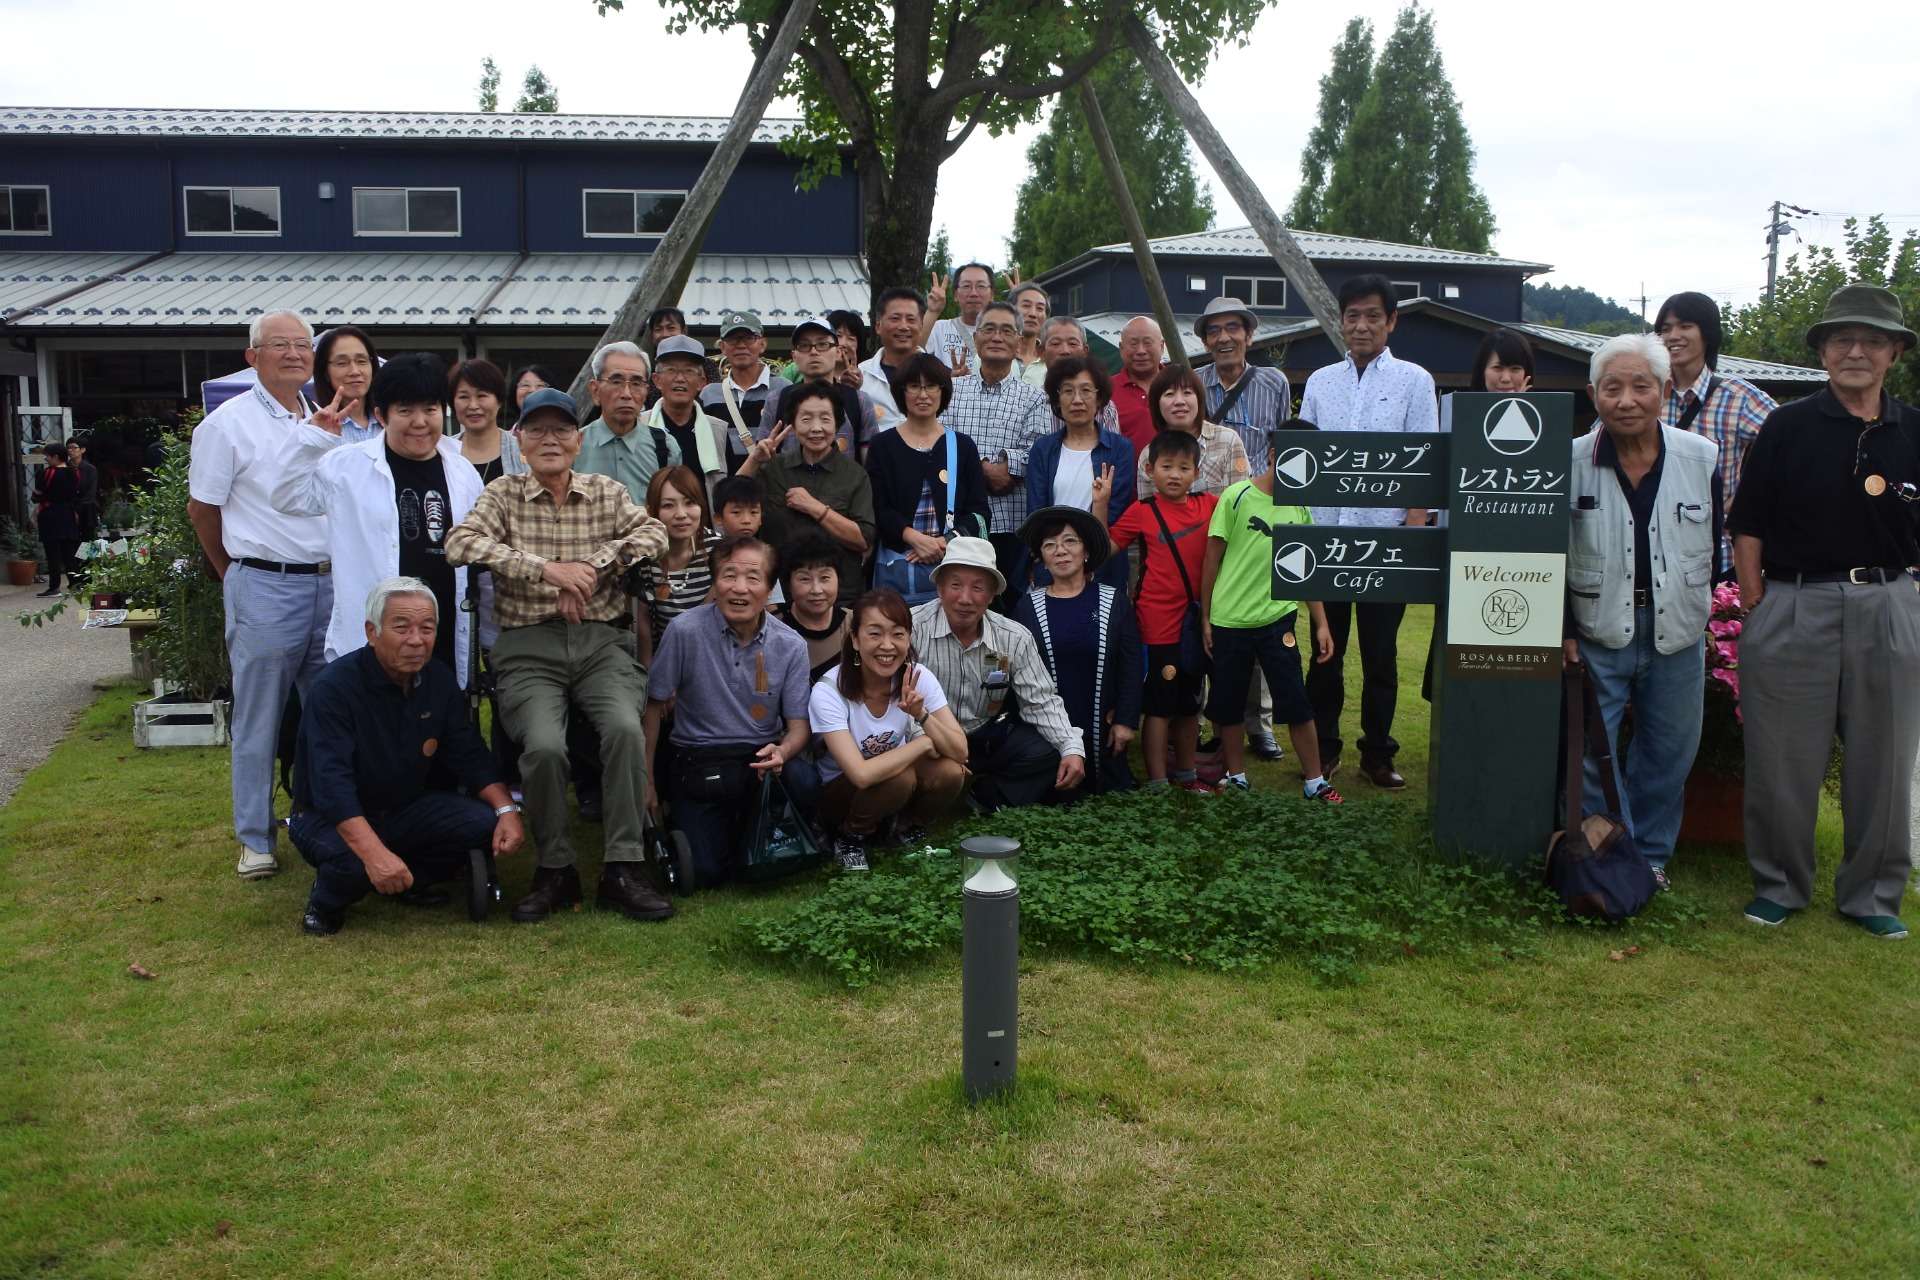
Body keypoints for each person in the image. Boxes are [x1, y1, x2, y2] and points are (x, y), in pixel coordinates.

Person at [1730, 284, 1920, 940]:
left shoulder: (1915, 429)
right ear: (1823, 351)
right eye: (1842, 339)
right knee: (1782, 758)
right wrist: (1757, 605)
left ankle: (1872, 894)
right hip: (1794, 601)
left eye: (1872, 340)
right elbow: (1747, 525)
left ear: (1895, 352)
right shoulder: (1786, 426)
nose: (1856, 351)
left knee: (1886, 760)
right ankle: (1780, 884)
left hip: (1890, 602)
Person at [444, 386, 673, 925]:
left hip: (601, 643)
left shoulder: (606, 491)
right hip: (528, 647)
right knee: (544, 747)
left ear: (578, 440)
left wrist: (591, 567)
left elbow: (655, 531)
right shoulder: (501, 493)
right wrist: (546, 569)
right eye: (537, 430)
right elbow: (460, 543)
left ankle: (623, 865)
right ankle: (556, 868)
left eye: (561, 430)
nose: (550, 439)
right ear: (518, 439)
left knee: (623, 729)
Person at [1566, 333, 1719, 892]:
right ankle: (1614, 852)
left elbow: (1714, 539)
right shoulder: (1571, 461)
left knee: (1669, 751)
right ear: (1593, 394)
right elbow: (1551, 551)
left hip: (1676, 629)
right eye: (1613, 388)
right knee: (1590, 754)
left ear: (1665, 389)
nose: (1626, 399)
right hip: (1597, 626)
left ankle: (1651, 857)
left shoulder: (1701, 457)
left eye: (1641, 386)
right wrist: (1564, 629)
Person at [289, 578, 524, 935]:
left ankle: (407, 880)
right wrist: (374, 854)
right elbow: (330, 787)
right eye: (402, 628)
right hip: (326, 816)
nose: (417, 640)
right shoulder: (333, 690)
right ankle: (325, 902)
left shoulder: (438, 680)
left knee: (482, 824)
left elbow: (470, 754)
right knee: (352, 864)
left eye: (427, 628)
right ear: (372, 631)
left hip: (402, 807)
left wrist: (506, 810)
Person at [186, 308, 332, 881]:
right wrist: (232, 572)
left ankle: (322, 820)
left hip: (330, 583)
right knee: (260, 718)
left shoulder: (323, 417)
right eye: (280, 345)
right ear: (253, 357)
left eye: (302, 344)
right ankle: (255, 837)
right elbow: (204, 509)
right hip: (264, 583)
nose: (295, 354)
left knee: (330, 714)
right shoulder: (226, 425)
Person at [1300, 275, 1438, 790]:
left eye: (1372, 316)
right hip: (1326, 539)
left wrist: (1414, 525)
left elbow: (1423, 458)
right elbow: (1304, 461)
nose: (1361, 325)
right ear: (1341, 320)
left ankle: (1378, 753)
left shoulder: (1415, 381)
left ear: (1391, 321)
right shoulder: (1319, 381)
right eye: (1352, 315)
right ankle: (1326, 748)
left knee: (1381, 654)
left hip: (1387, 539)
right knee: (1324, 651)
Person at [272, 352, 485, 680]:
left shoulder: (463, 472)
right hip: (370, 638)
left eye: (430, 410)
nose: (420, 422)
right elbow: (286, 498)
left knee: (436, 725)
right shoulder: (346, 465)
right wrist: (312, 440)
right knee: (372, 724)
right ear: (380, 415)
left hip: (439, 632)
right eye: (405, 411)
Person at [643, 534, 818, 888]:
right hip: (699, 759)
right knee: (707, 873)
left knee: (805, 780)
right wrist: (646, 780)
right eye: (728, 575)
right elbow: (652, 706)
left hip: (759, 759)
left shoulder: (791, 645)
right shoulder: (684, 631)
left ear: (769, 589)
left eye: (753, 578)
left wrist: (782, 751)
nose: (740, 588)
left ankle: (771, 835)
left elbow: (799, 726)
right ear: (715, 582)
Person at [1201, 444, 1340, 802]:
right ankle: (1236, 777)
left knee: (1295, 699)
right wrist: (1205, 617)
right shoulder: (1236, 496)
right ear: (1275, 454)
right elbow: (1212, 559)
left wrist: (1321, 622)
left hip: (1278, 619)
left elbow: (1308, 572)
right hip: (1230, 620)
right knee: (1229, 701)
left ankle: (1315, 781)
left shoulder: (1299, 506)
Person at [910, 537, 1086, 810]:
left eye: (978, 587)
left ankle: (983, 798)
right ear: (940, 588)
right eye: (955, 585)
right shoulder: (911, 629)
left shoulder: (1013, 637)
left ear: (993, 595)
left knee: (1049, 753)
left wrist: (1071, 747)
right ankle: (933, 798)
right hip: (927, 736)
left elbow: (1041, 700)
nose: (965, 598)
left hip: (985, 735)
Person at [811, 588, 970, 870]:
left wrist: (921, 715)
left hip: (892, 784)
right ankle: (849, 836)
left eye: (898, 634)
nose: (887, 645)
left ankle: (906, 829)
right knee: (901, 777)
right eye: (875, 633)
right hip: (840, 795)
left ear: (908, 639)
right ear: (855, 640)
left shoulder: (918, 677)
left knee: (950, 772)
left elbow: (960, 752)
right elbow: (860, 775)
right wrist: (922, 744)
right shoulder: (828, 690)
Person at [1108, 430, 1218, 792]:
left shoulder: (1210, 506)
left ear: (1196, 472)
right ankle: (1156, 779)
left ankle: (1186, 774)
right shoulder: (1143, 511)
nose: (1174, 474)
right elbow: (1105, 545)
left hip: (1197, 622)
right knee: (1159, 705)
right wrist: (1100, 504)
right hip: (1156, 624)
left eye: (1184, 467)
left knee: (1189, 704)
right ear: (1150, 470)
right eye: (1166, 466)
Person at [1012, 507, 1140, 796]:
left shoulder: (1114, 601)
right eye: (1049, 545)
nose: (1060, 551)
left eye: (1070, 541)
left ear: (1086, 551)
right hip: (1045, 729)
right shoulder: (1026, 608)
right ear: (1042, 558)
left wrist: (1125, 720)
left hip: (1103, 729)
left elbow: (1130, 666)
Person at [1655, 291, 1779, 576]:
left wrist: (1744, 500)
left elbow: (1793, 448)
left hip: (1717, 557)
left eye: (1685, 326)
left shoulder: (1739, 398)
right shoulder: (1644, 393)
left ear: (1707, 333)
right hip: (1651, 554)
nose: (1673, 336)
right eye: (1665, 329)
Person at [941, 300, 1052, 602]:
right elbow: (940, 446)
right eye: (988, 329)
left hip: (1011, 525)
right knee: (962, 606)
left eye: (1006, 330)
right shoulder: (950, 392)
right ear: (975, 338)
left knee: (1009, 610)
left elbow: (1035, 455)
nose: (997, 337)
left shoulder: (1035, 398)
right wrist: (987, 468)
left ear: (1019, 341)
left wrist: (977, 466)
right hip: (958, 524)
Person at [864, 352, 990, 604]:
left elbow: (979, 511)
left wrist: (943, 543)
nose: (923, 395)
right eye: (914, 386)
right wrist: (914, 538)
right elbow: (878, 507)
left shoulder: (962, 446)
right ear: (901, 392)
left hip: (952, 567)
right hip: (897, 570)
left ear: (943, 391)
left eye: (931, 386)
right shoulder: (882, 445)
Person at [741, 379, 874, 604]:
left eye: (825, 419)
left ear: (837, 424)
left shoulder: (855, 475)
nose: (816, 428)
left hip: (839, 597)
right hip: (780, 595)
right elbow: (732, 506)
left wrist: (816, 508)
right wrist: (754, 460)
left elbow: (863, 540)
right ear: (792, 424)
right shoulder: (774, 469)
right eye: (806, 419)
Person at [1027, 356, 1136, 591]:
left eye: (1086, 390)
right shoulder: (1043, 450)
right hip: (1053, 565)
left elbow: (1117, 513)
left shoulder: (1120, 449)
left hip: (1102, 566)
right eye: (1068, 391)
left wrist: (1085, 555)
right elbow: (1037, 514)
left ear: (1099, 398)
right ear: (1057, 399)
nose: (1077, 400)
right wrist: (1062, 553)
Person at [1194, 296, 1292, 475]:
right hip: (1210, 497)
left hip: (1259, 496)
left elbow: (1285, 446)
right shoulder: (1193, 384)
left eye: (1232, 328)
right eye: (1214, 331)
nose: (1223, 338)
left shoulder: (1275, 383)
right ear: (1205, 343)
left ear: (1249, 336)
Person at [632, 464, 716, 666]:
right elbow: (643, 622)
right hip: (663, 658)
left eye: (690, 503)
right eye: (668, 505)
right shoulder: (644, 554)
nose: (681, 514)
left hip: (711, 658)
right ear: (652, 511)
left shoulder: (717, 551)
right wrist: (650, 677)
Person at [576, 340, 677, 507]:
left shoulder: (665, 447)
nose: (626, 394)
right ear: (595, 390)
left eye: (637, 383)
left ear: (646, 392)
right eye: (616, 381)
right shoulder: (574, 445)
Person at [1134, 364, 1250, 500]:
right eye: (1169, 394)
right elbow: (1147, 510)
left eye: (1187, 393)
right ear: (1156, 404)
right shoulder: (1148, 455)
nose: (1179, 401)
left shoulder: (1227, 440)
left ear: (1199, 399)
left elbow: (1242, 500)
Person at [771, 315, 875, 458]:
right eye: (804, 345)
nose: (814, 352)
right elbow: (765, 458)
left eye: (822, 344)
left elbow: (869, 463)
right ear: (794, 356)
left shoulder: (860, 400)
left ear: (838, 351)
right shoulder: (777, 399)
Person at [702, 310, 792, 472]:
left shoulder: (784, 388)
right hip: (725, 489)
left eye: (749, 338)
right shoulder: (708, 394)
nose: (741, 345)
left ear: (762, 344)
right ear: (722, 347)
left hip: (773, 488)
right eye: (732, 339)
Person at [644, 335, 728, 490]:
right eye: (671, 370)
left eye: (689, 371)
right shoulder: (639, 425)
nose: (680, 378)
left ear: (702, 382)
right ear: (656, 380)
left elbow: (727, 489)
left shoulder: (718, 430)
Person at [776, 531, 849, 680]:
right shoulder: (773, 628)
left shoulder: (855, 624)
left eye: (825, 578)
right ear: (788, 583)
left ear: (838, 579)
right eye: (804, 579)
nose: (816, 590)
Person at [1035, 316, 1123, 437]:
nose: (1065, 351)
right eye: (1055, 343)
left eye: (1072, 343)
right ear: (1041, 352)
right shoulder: (1031, 401)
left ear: (1085, 351)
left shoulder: (1103, 405)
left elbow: (1112, 451)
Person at [859, 286, 926, 434]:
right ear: (878, 326)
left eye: (911, 319)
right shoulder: (860, 376)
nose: (903, 326)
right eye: (895, 318)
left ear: (921, 326)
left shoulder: (939, 375)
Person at [450, 358, 526, 489]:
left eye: (482, 396)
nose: (473, 405)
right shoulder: (444, 452)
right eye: (464, 397)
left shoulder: (522, 451)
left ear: (499, 401)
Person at [313, 326, 382, 444]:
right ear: (325, 372)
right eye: (342, 363)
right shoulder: (318, 426)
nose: (355, 371)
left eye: (361, 361)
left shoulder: (389, 420)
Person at [921, 262, 995, 371]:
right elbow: (913, 353)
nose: (973, 293)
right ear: (955, 295)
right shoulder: (938, 329)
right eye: (966, 286)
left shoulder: (1003, 333)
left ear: (992, 295)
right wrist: (932, 311)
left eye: (981, 286)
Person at [1111, 317, 1168, 456]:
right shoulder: (1105, 390)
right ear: (1121, 348)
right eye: (1133, 344)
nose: (1141, 351)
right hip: (1121, 476)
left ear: (1161, 346)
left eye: (1148, 343)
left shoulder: (1180, 386)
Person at [31, 443, 80, 597]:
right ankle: (75, 584)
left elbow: (36, 495)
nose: (46, 459)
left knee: (52, 552)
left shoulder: (47, 473)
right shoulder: (74, 472)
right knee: (69, 551)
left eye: (48, 456)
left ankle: (54, 587)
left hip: (50, 514)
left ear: (56, 457)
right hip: (68, 514)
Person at [1010, 282, 1050, 386]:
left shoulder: (1051, 362)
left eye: (1040, 308)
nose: (1033, 314)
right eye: (1026, 305)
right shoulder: (989, 355)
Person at [67, 435, 99, 542]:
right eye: (68, 448)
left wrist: (78, 510)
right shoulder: (65, 468)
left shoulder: (90, 469)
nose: (71, 450)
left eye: (74, 447)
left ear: (82, 450)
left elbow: (90, 493)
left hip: (87, 511)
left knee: (88, 541)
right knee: (72, 541)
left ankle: (87, 559)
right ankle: (73, 559)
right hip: (69, 510)